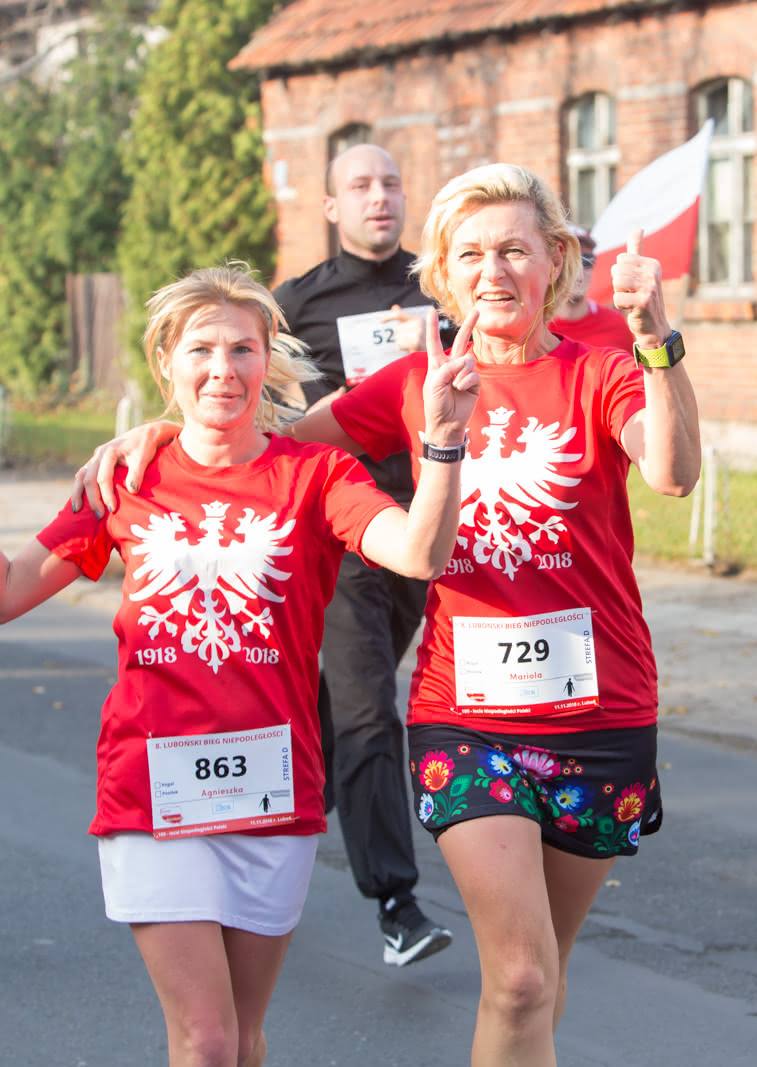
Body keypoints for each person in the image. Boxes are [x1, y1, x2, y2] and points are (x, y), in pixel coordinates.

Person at [74, 163, 702, 1065]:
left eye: (515, 251)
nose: (494, 272)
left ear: (555, 259)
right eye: (472, 254)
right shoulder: (414, 385)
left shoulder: (600, 374)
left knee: (539, 981)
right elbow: (260, 444)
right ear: (443, 270)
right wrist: (161, 435)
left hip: (602, 713)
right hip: (468, 716)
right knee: (521, 976)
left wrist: (658, 344)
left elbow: (673, 472)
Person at [0, 264, 479, 1066]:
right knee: (206, 1040)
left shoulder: (317, 476)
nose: (223, 369)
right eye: (202, 349)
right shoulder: (126, 478)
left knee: (243, 1038)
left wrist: (443, 442)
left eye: (243, 349)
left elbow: (418, 552)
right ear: (166, 363)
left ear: (267, 360)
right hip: (152, 787)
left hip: (273, 792)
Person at [259, 142, 459, 965]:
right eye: (361, 186)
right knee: (371, 706)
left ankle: (266, 815)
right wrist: (321, 407)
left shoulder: (442, 288)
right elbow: (260, 418)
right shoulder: (292, 305)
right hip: (338, 531)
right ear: (333, 208)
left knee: (327, 709)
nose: (381, 197)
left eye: (391, 183)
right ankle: (397, 902)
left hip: (422, 527)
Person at [546, 227, 635, 351]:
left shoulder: (615, 324)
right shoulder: (534, 329)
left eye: (586, 261)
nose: (579, 270)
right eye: (569, 260)